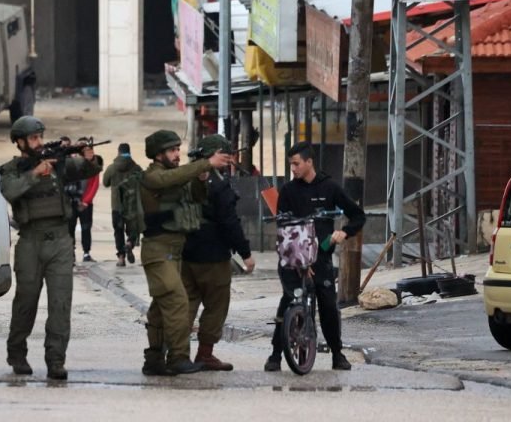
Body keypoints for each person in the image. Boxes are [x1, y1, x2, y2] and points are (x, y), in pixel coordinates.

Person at [0, 116, 102, 380]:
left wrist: (90, 158)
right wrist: (35, 174)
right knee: (26, 301)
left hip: (60, 240)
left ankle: (56, 360)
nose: (39, 142)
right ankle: (17, 353)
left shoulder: (57, 164)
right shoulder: (13, 168)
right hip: (30, 241)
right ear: (20, 142)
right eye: (33, 138)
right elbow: (9, 190)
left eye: (40, 136)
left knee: (60, 303)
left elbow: (88, 170)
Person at [264, 141, 366, 372]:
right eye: (291, 164)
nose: (293, 169)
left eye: (296, 163)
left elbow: (357, 216)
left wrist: (344, 232)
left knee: (328, 305)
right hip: (293, 257)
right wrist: (299, 261)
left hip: (321, 257)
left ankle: (337, 354)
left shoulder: (330, 187)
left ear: (309, 162)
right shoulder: (288, 191)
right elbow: (283, 226)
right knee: (287, 303)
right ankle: (275, 354)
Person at [139, 129, 233, 376]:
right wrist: (205, 163)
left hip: (175, 250)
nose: (177, 154)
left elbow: (197, 197)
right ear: (158, 154)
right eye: (172, 150)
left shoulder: (177, 176)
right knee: (177, 300)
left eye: (178, 149)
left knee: (160, 306)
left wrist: (201, 178)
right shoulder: (152, 176)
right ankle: (178, 357)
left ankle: (154, 359)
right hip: (157, 249)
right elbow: (169, 180)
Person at [182, 134, 256, 371]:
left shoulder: (183, 178)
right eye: (225, 154)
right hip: (213, 257)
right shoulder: (218, 184)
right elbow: (229, 222)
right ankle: (205, 354)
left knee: (186, 305)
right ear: (213, 155)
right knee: (216, 306)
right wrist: (246, 253)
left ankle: (177, 354)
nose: (229, 159)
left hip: (185, 253)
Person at [102, 143, 142, 266]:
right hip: (132, 204)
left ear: (118, 152)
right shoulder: (136, 168)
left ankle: (121, 257)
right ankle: (129, 243)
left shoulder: (112, 168)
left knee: (118, 230)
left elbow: (105, 182)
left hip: (117, 205)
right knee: (134, 228)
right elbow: (142, 182)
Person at [66, 137, 101, 263]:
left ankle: (86, 252)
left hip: (86, 204)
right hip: (71, 202)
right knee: (69, 228)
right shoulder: (70, 162)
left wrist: (86, 201)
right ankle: (71, 252)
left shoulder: (92, 164)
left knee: (86, 228)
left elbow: (94, 184)